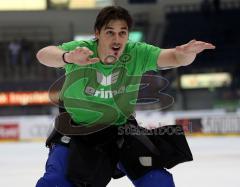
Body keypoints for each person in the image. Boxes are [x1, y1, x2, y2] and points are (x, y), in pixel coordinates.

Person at [36, 6, 215, 187]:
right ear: (97, 33)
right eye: (110, 32)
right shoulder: (82, 51)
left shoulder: (136, 52)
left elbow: (175, 58)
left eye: (122, 33)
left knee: (157, 181)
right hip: (76, 132)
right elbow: (43, 55)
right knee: (55, 182)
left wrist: (186, 55)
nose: (117, 39)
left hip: (121, 131)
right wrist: (68, 57)